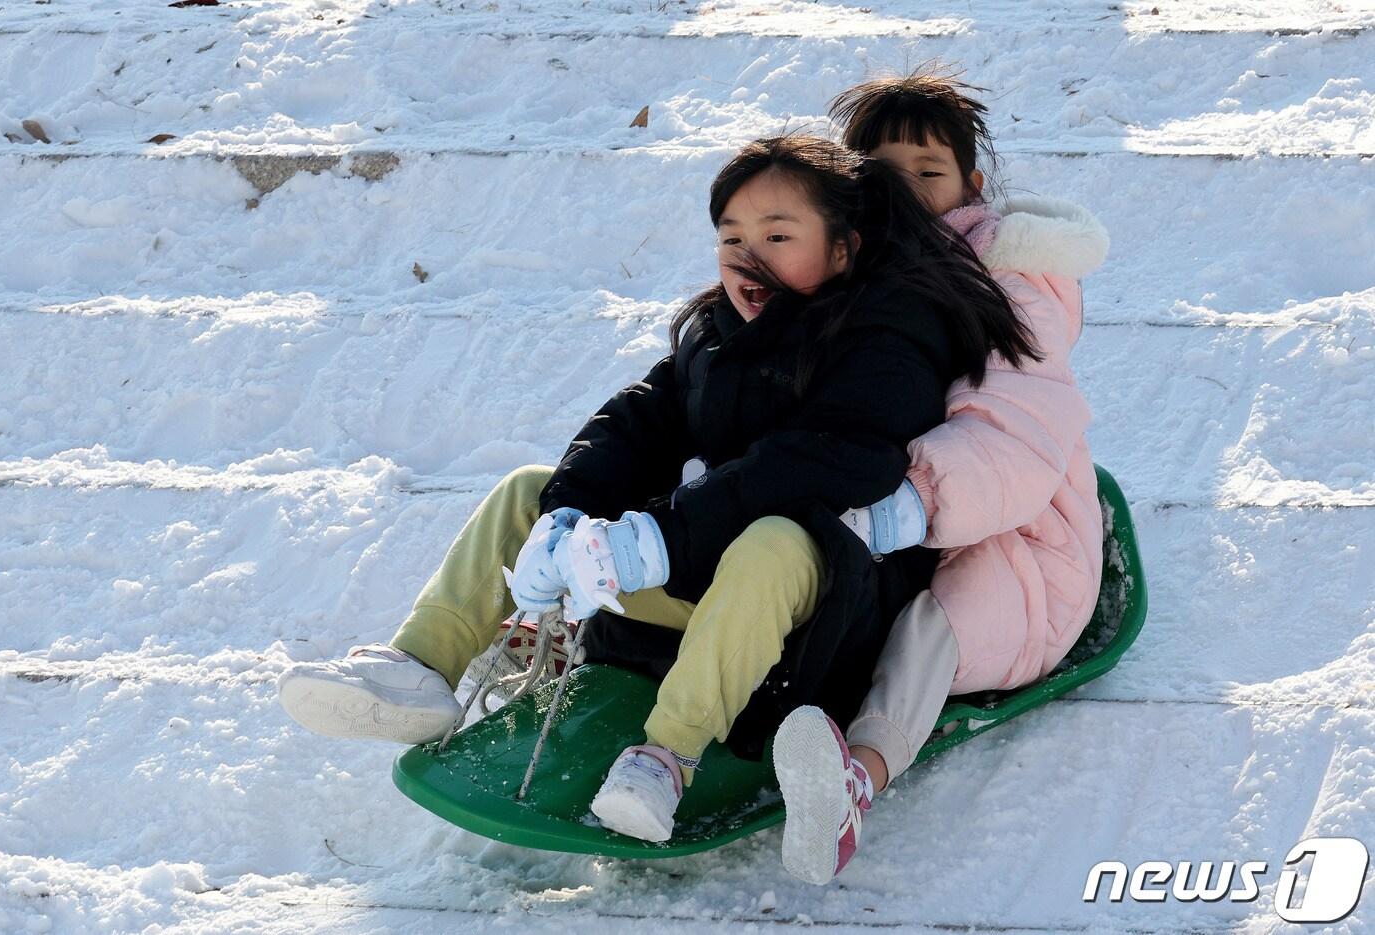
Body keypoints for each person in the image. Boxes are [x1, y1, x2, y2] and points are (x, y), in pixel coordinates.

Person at [277, 134, 1038, 844]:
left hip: (823, 616)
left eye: (778, 236)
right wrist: (565, 514)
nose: (749, 258)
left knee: (773, 540)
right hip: (707, 571)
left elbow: (810, 466)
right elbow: (639, 420)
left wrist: (657, 540)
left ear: (843, 248)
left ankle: (666, 758)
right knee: (528, 488)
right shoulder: (716, 335)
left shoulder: (887, 341)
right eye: (732, 238)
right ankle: (420, 668)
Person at [772, 70, 1111, 884]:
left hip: (1022, 541)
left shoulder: (1009, 281)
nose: (907, 194)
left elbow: (1013, 430)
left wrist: (908, 506)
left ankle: (856, 780)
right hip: (886, 517)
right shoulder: (835, 269)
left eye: (929, 175)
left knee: (930, 620)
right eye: (883, 176)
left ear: (972, 186)